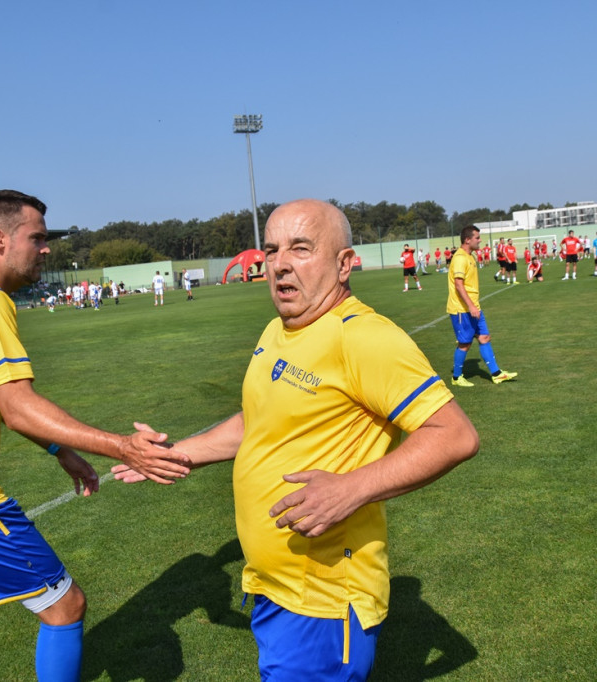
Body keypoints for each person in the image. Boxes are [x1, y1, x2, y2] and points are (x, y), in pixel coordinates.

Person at [115, 199, 479, 681]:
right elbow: (257, 421)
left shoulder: (364, 338)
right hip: (273, 585)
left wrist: (352, 488)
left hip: (323, 600)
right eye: (271, 250)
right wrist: (176, 454)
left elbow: (454, 434)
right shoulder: (277, 330)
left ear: (345, 264)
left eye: (301, 248)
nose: (280, 263)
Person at [0, 190, 190, 682]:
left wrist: (59, 448)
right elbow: (18, 406)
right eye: (37, 237)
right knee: (65, 607)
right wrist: (121, 446)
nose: (47, 249)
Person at [447, 225, 519, 387]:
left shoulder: (470, 256)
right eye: (477, 238)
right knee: (465, 344)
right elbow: (459, 285)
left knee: (485, 337)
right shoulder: (460, 258)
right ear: (467, 240)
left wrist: (474, 306)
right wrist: (471, 307)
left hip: (473, 307)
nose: (480, 240)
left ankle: (496, 374)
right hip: (462, 309)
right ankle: (457, 378)